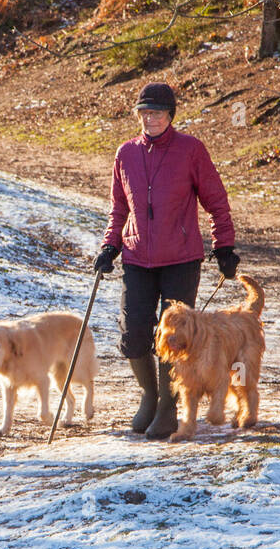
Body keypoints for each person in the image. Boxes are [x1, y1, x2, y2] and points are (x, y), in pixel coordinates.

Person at [92, 82, 241, 439]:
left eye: (156, 112)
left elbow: (216, 200)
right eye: (144, 112)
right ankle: (150, 395)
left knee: (174, 337)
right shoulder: (126, 153)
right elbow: (119, 208)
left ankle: (169, 407)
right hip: (136, 257)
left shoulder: (190, 150)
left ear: (170, 115)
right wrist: (110, 246)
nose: (150, 118)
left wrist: (224, 247)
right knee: (134, 334)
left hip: (180, 259)